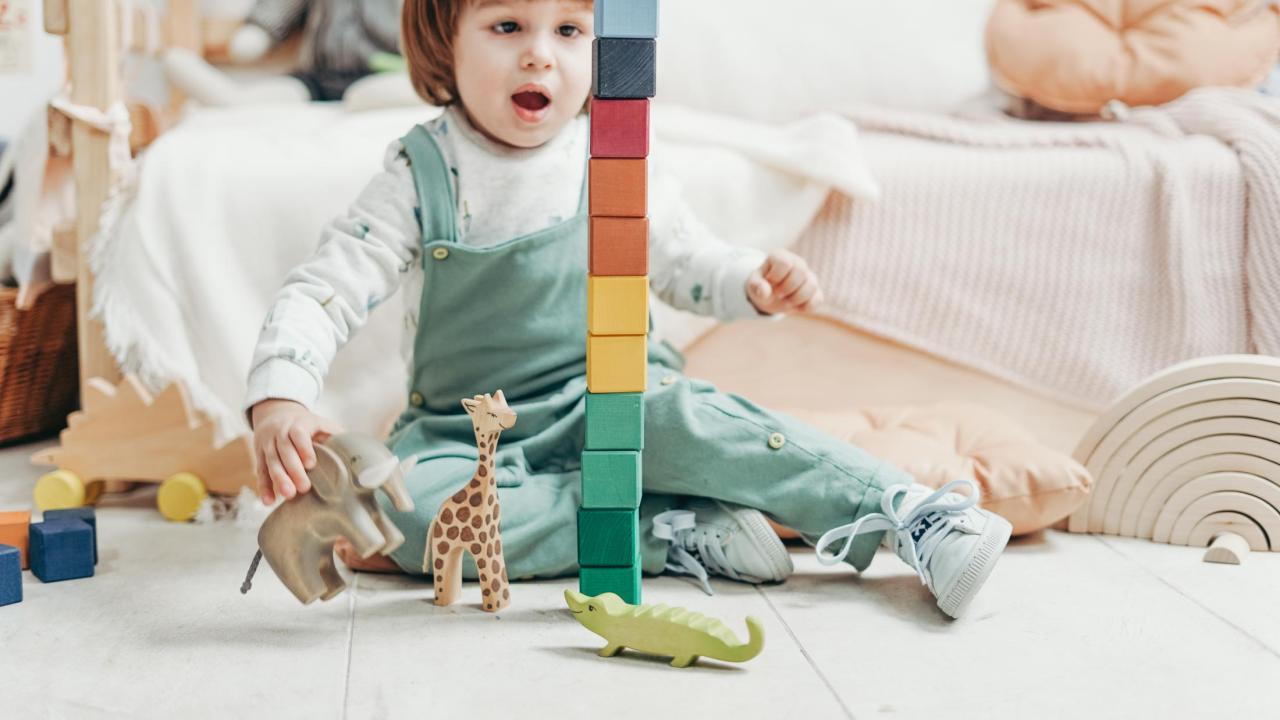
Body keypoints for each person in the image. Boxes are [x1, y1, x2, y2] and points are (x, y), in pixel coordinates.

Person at [246, 0, 1012, 619]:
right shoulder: (421, 173)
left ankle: (907, 513)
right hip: (467, 427)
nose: (540, 54)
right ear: (445, 37)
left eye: (570, 30)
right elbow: (329, 284)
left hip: (612, 397)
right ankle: (663, 529)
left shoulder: (609, 156)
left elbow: (685, 260)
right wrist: (281, 392)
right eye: (507, 25)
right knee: (416, 521)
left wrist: (750, 282)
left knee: (689, 419)